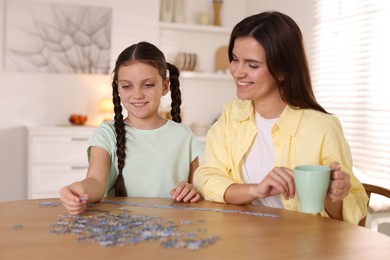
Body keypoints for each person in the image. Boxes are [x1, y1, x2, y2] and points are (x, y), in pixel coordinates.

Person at [193, 11, 368, 224]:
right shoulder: (231, 116)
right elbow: (206, 177)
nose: (237, 72)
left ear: (282, 70)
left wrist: (335, 196)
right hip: (240, 238)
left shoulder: (322, 127)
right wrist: (256, 190)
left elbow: (351, 212)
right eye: (235, 60)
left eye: (252, 65)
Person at [60, 41, 203, 215]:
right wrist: (80, 189)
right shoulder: (107, 133)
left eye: (148, 85)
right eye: (127, 86)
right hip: (119, 231)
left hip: (172, 229)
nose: (137, 95)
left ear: (165, 86)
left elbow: (198, 188)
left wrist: (192, 191)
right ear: (118, 88)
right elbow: (96, 182)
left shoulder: (184, 136)